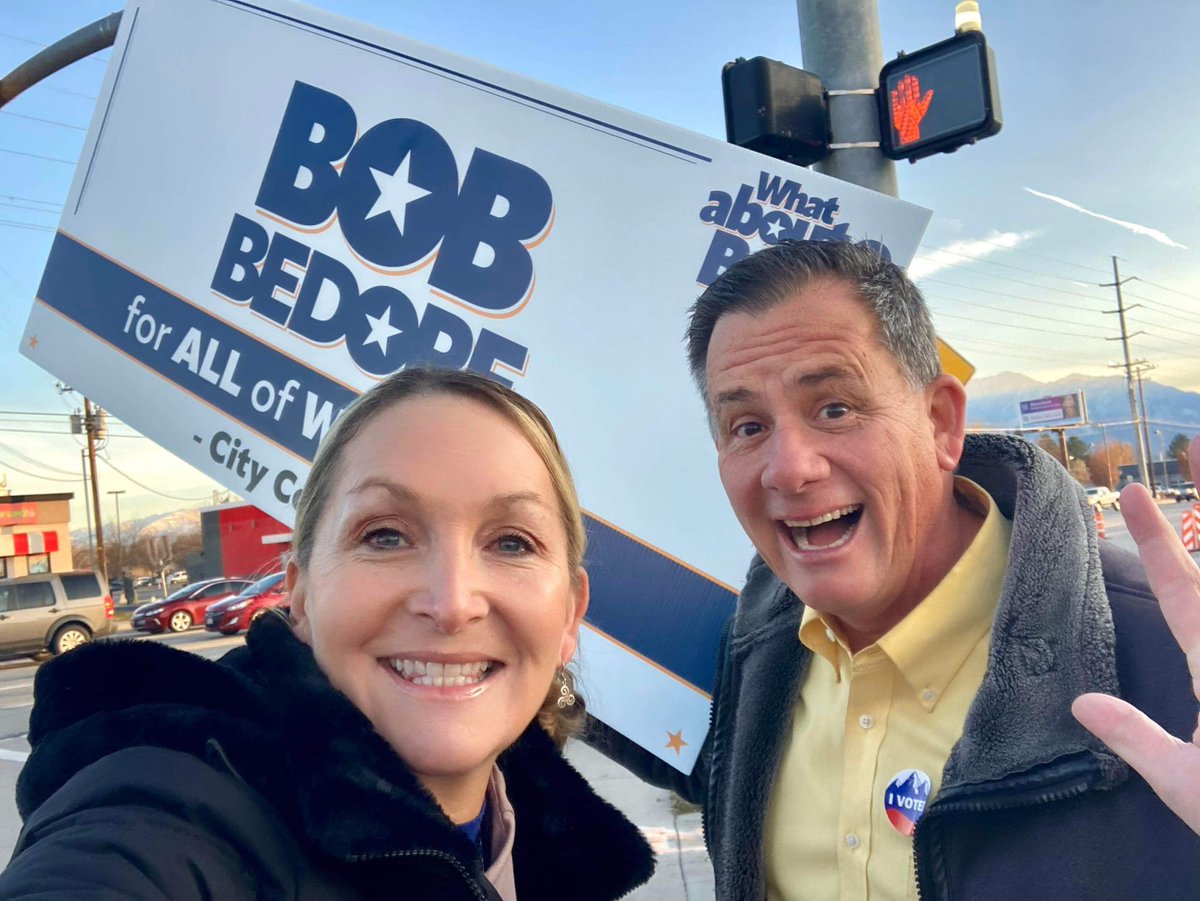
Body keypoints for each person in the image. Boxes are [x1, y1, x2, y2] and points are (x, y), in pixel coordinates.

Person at [591, 240, 1199, 900]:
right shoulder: (748, 653)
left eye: (835, 407)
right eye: (746, 426)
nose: (789, 467)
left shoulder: (1167, 659)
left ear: (941, 422)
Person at [0, 368, 655, 900]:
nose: (453, 602)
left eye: (512, 540)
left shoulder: (548, 842)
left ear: (570, 614)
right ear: (301, 594)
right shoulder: (173, 806)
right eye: (384, 534)